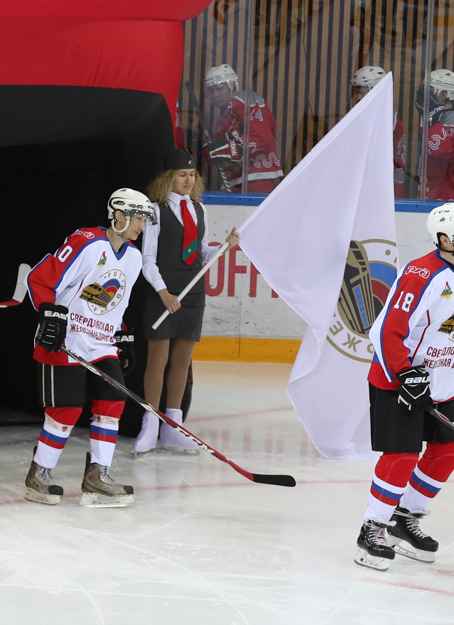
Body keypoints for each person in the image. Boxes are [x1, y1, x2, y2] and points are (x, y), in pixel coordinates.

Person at [355, 202, 454, 570]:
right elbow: (384, 330)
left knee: (449, 451)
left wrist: (451, 361)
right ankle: (372, 528)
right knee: (402, 455)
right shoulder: (420, 273)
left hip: (443, 380)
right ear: (444, 239)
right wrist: (405, 373)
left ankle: (403, 517)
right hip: (400, 379)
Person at [23, 188, 157, 508]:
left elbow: (116, 302)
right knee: (66, 410)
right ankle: (39, 472)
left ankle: (97, 475)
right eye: (138, 218)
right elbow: (40, 279)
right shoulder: (86, 242)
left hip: (101, 343)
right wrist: (49, 314)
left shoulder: (134, 257)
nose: (142, 226)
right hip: (66, 339)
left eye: (145, 219)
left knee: (113, 402)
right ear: (119, 216)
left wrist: (122, 334)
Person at [133, 151, 239, 454]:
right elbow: (147, 259)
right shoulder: (156, 210)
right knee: (158, 360)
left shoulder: (199, 209)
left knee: (182, 361)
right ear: (169, 177)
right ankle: (150, 424)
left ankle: (173, 426)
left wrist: (224, 247)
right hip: (164, 291)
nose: (188, 180)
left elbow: (201, 253)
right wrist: (163, 292)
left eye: (192, 175)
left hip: (193, 292)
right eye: (182, 174)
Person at [202, 64, 284, 193]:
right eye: (211, 91)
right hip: (237, 181)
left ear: (233, 86)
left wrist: (226, 149)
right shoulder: (221, 121)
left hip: (258, 177)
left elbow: (264, 137)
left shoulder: (245, 100)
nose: (215, 94)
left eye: (220, 88)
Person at [350, 66, 408, 198]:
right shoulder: (381, 113)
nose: (358, 97)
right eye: (356, 91)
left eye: (361, 91)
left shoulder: (384, 116)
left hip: (383, 185)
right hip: (380, 182)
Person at [415, 69, 454, 201]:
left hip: (448, 198)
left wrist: (432, 116)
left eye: (430, 91)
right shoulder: (432, 119)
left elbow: (441, 153)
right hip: (431, 194)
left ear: (443, 94)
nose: (425, 96)